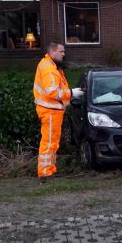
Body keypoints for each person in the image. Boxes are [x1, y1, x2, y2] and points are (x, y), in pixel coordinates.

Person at [33, 42, 83, 182]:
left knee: (52, 142)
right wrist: (72, 93)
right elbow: (52, 92)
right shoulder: (49, 69)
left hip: (51, 110)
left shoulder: (50, 65)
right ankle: (44, 173)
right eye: (61, 51)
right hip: (50, 110)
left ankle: (49, 170)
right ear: (53, 52)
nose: (63, 54)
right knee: (49, 142)